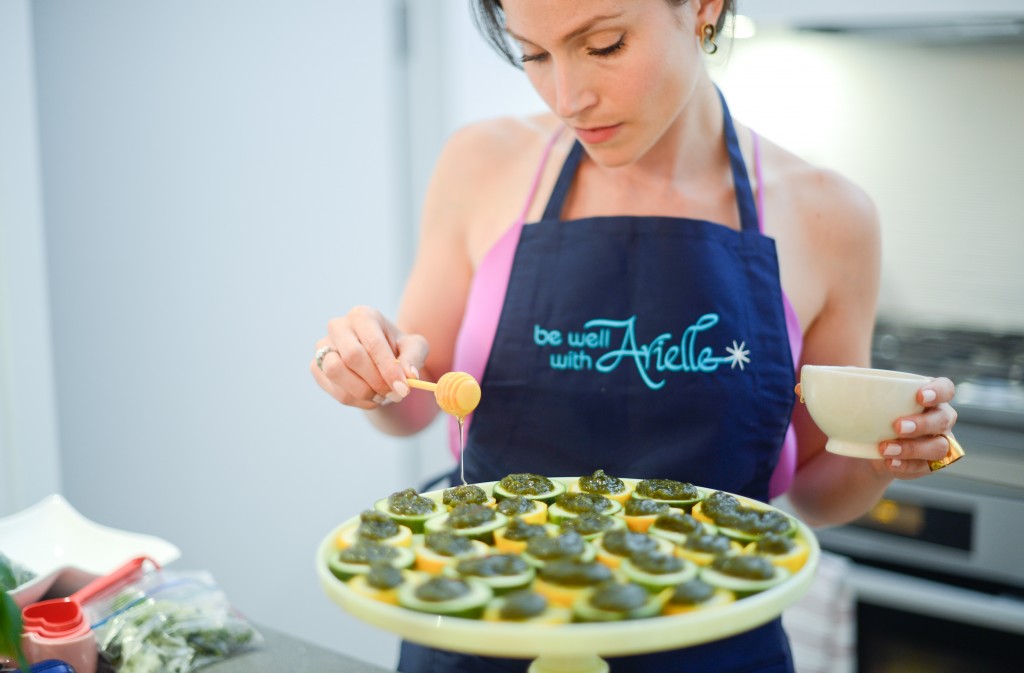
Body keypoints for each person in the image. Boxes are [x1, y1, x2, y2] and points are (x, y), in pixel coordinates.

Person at [311, 1, 960, 671]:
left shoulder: (829, 215)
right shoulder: (482, 164)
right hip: (483, 620)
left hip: (708, 643)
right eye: (533, 54)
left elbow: (820, 496)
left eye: (604, 44)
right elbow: (414, 405)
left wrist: (886, 450)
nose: (568, 97)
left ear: (704, 9)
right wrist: (369, 369)